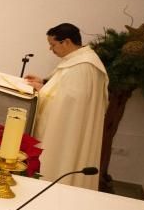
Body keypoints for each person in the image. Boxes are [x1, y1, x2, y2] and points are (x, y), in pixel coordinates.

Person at [24, 23, 108, 190]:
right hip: (71, 129)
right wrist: (44, 83)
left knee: (62, 164)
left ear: (66, 42)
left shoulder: (83, 67)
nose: (51, 49)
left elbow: (67, 107)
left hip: (69, 134)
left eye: (53, 44)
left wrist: (42, 91)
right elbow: (64, 90)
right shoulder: (79, 60)